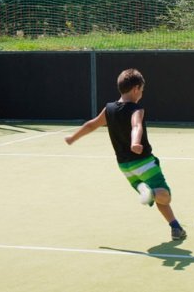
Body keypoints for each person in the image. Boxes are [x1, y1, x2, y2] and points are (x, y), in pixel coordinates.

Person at [64, 68, 187, 241]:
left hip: (125, 167)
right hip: (143, 162)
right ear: (136, 88)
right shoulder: (136, 109)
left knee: (156, 195)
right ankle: (152, 195)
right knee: (165, 195)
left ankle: (175, 227)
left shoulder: (109, 110)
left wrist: (73, 137)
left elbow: (92, 125)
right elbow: (137, 126)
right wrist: (135, 142)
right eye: (142, 90)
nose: (142, 94)